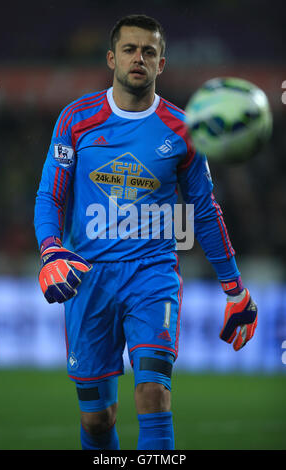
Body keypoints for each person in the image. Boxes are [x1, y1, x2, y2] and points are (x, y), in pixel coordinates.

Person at [34, 14, 258, 450]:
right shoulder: (76, 119)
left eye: (149, 51)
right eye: (130, 49)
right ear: (111, 58)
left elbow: (205, 211)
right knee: (98, 419)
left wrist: (233, 288)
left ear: (161, 65)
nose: (139, 58)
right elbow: (50, 196)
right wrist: (50, 249)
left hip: (152, 275)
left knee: (153, 393)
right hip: (89, 277)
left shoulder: (182, 130)